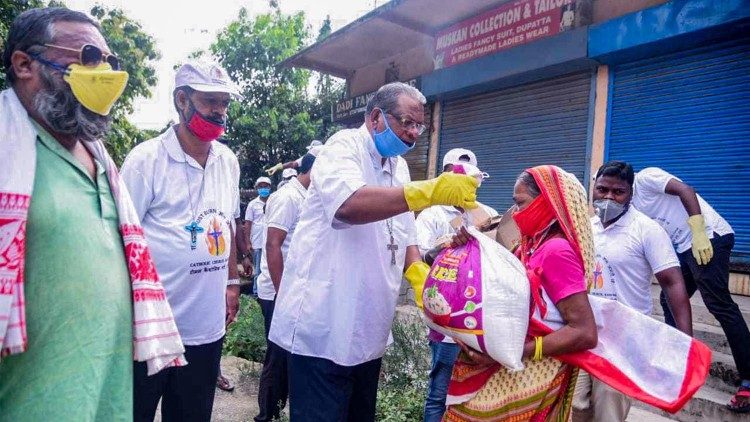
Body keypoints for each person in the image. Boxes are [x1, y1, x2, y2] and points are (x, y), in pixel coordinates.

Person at [0, 7, 184, 420]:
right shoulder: (6, 148)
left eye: (108, 61)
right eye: (86, 57)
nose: (103, 73)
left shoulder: (101, 161)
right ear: (24, 64)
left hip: (107, 399)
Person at [267, 82, 479, 421]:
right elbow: (348, 205)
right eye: (406, 122)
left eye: (418, 126)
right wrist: (430, 192)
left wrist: (421, 280)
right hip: (323, 328)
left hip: (367, 332)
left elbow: (406, 237)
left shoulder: (400, 167)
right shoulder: (342, 148)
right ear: (377, 117)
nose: (413, 133)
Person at [424, 165, 599, 421]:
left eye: (521, 204)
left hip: (532, 370)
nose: (516, 214)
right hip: (511, 367)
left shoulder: (557, 251)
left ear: (549, 201)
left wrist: (517, 351)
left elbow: (584, 332)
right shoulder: (529, 245)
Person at [121, 60, 243, 421]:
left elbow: (228, 223)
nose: (219, 112)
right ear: (181, 100)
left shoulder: (228, 161)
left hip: (204, 330)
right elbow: (122, 239)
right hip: (150, 327)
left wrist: (233, 281)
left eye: (224, 103)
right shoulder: (146, 160)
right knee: (135, 412)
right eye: (209, 101)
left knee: (191, 415)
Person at [572, 161, 693, 421]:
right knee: (578, 408)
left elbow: (673, 282)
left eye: (618, 192)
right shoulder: (586, 228)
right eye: (603, 190)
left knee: (609, 413)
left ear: (631, 194)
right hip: (585, 334)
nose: (608, 197)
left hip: (624, 340)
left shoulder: (647, 230)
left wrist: (686, 343)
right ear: (593, 188)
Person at [631, 166, 750, 412]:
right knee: (668, 299)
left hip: (709, 236)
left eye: (616, 189)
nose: (610, 196)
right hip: (685, 248)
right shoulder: (630, 208)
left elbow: (686, 190)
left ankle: (748, 379)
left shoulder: (645, 178)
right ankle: (678, 359)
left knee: (719, 304)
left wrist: (698, 231)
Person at [415, 148, 498, 422]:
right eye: (457, 175)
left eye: (470, 178)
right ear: (445, 176)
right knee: (441, 392)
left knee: (478, 393)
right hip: (447, 322)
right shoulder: (432, 215)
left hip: (482, 320)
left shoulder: (487, 214)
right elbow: (421, 258)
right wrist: (450, 248)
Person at [255, 152, 316, 422]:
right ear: (312, 170)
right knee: (278, 356)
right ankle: (266, 415)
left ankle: (280, 410)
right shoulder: (288, 197)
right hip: (278, 292)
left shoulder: (307, 196)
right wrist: (283, 294)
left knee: (292, 353)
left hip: (295, 291)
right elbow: (272, 244)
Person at [245, 176, 272, 296]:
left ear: (270, 187)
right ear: (257, 188)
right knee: (258, 271)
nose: (263, 188)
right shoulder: (252, 204)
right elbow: (248, 224)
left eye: (265, 186)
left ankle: (268, 293)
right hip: (257, 241)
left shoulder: (274, 201)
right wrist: (247, 242)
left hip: (271, 242)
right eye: (261, 186)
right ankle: (257, 294)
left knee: (269, 270)